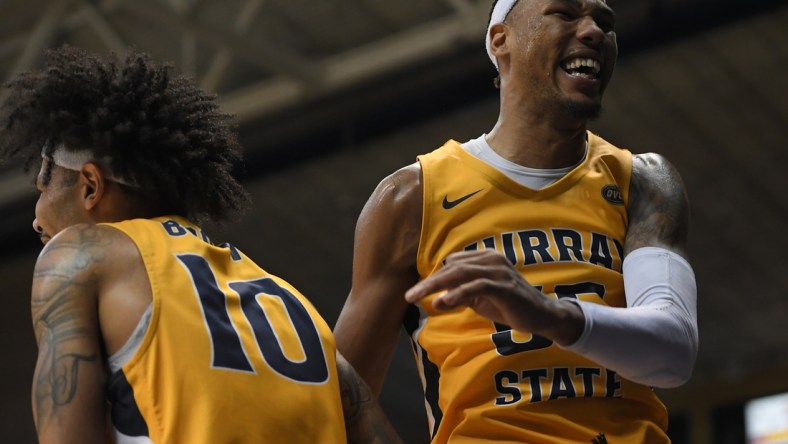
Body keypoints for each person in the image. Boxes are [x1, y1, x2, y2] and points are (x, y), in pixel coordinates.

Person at [334, 0, 698, 442]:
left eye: (605, 22)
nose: (593, 32)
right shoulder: (413, 198)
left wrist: (546, 312)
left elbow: (674, 350)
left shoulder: (642, 181)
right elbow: (337, 399)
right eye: (564, 13)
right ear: (499, 39)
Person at [0, 45, 402, 444]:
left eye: (43, 187)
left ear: (90, 185)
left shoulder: (78, 254)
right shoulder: (294, 307)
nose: (36, 217)